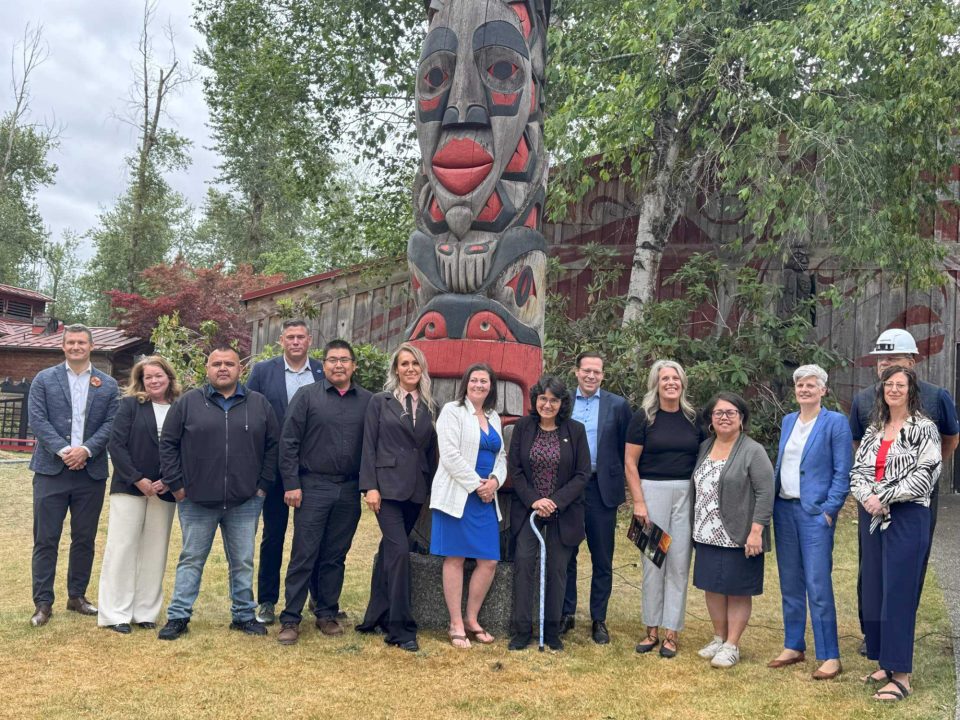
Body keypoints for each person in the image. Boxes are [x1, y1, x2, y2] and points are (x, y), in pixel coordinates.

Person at [157, 346, 280, 640]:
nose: (222, 368)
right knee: (191, 559)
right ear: (207, 368)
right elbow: (168, 445)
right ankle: (178, 616)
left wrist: (262, 486)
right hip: (196, 500)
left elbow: (274, 446)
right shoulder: (188, 403)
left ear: (241, 370)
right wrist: (177, 486)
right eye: (216, 364)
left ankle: (243, 615)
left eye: (229, 364)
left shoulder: (259, 404)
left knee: (242, 561)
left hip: (245, 501)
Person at [849, 328, 959, 652]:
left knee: (909, 564)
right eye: (881, 359)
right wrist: (871, 488)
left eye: (893, 358)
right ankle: (873, 634)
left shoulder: (936, 397)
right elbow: (859, 445)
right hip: (872, 498)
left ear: (912, 361)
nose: (885, 365)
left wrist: (924, 473)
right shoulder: (864, 399)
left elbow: (949, 438)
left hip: (915, 499)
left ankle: (900, 631)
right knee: (871, 566)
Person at [850, 365, 940, 702]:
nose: (893, 390)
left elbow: (926, 475)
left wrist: (883, 497)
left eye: (900, 384)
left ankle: (901, 675)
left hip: (907, 516)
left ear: (911, 390)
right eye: (888, 384)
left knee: (899, 592)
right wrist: (867, 498)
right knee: (875, 588)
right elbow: (857, 470)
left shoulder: (925, 428)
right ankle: (883, 663)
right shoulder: (875, 430)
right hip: (873, 516)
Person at [275, 340, 373, 645]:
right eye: (332, 360)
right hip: (313, 486)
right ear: (324, 365)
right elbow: (288, 442)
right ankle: (291, 618)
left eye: (345, 359)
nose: (339, 365)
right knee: (304, 553)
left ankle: (327, 613)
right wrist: (292, 483)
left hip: (348, 489)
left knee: (335, 555)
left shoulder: (368, 401)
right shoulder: (306, 397)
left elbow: (373, 447)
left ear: (354, 366)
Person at [27, 324, 120, 627]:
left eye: (81, 342)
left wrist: (87, 450)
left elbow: (111, 422)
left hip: (90, 473)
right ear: (63, 346)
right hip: (51, 470)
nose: (76, 347)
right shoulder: (44, 379)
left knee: (84, 538)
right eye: (71, 342)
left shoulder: (106, 384)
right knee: (46, 539)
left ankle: (76, 596)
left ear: (91, 346)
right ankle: (42, 603)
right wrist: (65, 450)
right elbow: (37, 419)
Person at [768, 365, 851, 679]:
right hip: (784, 510)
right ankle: (793, 645)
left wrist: (829, 510)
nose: (804, 389)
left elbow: (843, 472)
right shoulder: (789, 420)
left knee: (818, 584)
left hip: (815, 514)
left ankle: (830, 654)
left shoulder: (835, 423)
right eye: (800, 385)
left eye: (811, 385)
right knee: (790, 582)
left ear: (823, 390)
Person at [356, 343, 439, 652]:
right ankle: (400, 628)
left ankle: (375, 615)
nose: (410, 369)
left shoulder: (431, 405)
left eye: (415, 364)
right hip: (386, 489)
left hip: (415, 490)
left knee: (390, 551)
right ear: (396, 369)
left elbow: (431, 452)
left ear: (422, 369)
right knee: (400, 551)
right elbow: (369, 445)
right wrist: (370, 487)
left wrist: (431, 489)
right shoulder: (381, 402)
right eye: (404, 364)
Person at [247, 319, 326, 625]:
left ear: (310, 340)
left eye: (301, 337)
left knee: (315, 537)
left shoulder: (322, 371)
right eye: (290, 337)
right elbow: (250, 412)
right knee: (273, 535)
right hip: (276, 468)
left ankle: (318, 597)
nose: (295, 342)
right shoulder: (263, 372)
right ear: (281, 341)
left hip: (314, 467)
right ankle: (267, 600)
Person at [625, 360, 704, 658]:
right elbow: (630, 463)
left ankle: (672, 632)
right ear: (655, 384)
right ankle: (652, 630)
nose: (670, 383)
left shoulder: (693, 418)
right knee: (653, 563)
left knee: (679, 563)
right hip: (651, 492)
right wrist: (639, 502)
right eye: (664, 378)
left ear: (682, 383)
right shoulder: (643, 417)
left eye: (676, 378)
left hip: (686, 493)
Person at [98, 356, 181, 633]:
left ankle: (145, 611)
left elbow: (187, 447)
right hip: (129, 488)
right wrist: (137, 479)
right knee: (122, 549)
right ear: (141, 381)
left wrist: (169, 481)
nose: (154, 381)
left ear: (169, 377)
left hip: (165, 490)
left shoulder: (180, 407)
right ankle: (115, 614)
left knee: (155, 551)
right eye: (148, 377)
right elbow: (116, 445)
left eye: (159, 375)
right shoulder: (131, 406)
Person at [508, 375, 592, 652]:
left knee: (557, 569)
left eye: (553, 400)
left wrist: (555, 501)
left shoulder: (575, 430)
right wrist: (535, 501)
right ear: (535, 400)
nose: (547, 404)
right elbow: (516, 470)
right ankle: (522, 630)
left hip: (562, 512)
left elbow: (582, 475)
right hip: (529, 512)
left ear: (562, 403)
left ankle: (552, 630)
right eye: (542, 398)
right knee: (523, 563)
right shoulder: (523, 427)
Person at [691, 392, 774, 669]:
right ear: (710, 420)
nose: (724, 417)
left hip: (739, 533)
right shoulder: (705, 446)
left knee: (738, 589)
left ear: (741, 419)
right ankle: (719, 637)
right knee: (712, 586)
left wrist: (756, 531)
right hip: (705, 531)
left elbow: (765, 492)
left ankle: (732, 645)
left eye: (731, 413)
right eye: (718, 413)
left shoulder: (753, 450)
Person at [429, 363, 508, 648]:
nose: (478, 385)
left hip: (486, 498)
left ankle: (472, 618)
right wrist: (477, 484)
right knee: (455, 558)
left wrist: (495, 482)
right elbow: (448, 454)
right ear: (466, 383)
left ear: (491, 386)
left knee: (488, 561)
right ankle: (455, 624)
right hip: (458, 496)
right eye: (474, 380)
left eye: (484, 381)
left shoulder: (493, 416)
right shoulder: (452, 411)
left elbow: (502, 456)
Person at [561, 352, 632, 644]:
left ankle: (598, 619)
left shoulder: (618, 405)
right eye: (586, 370)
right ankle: (566, 613)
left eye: (597, 372)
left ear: (603, 375)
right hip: (568, 490)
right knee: (567, 554)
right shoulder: (563, 402)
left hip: (601, 489)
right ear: (576, 372)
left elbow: (627, 448)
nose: (591, 376)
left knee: (602, 558)